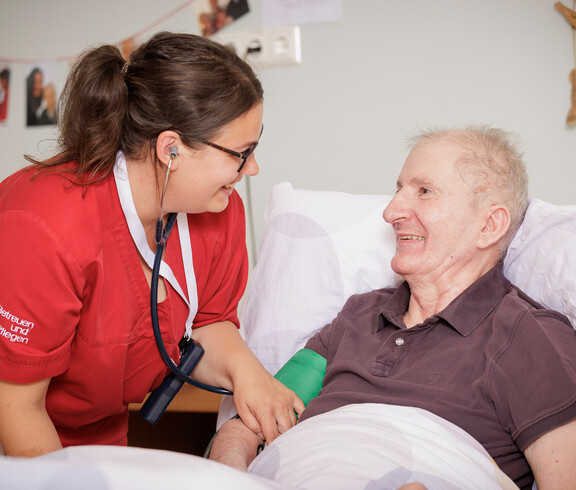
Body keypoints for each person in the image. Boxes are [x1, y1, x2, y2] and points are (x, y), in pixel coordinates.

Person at [209, 126, 576, 490]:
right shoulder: (357, 316)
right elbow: (248, 424)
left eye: (425, 191)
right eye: (399, 189)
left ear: (489, 225)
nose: (391, 211)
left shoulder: (529, 335)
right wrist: (228, 479)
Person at [0, 32, 303, 458]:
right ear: (171, 149)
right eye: (241, 152)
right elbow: (15, 406)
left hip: (101, 438)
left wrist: (247, 373)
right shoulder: (46, 225)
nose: (251, 168)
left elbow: (206, 324)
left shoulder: (216, 208)